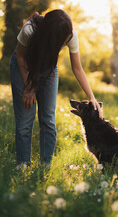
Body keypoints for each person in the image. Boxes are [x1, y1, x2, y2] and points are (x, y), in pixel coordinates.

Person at [10, 9, 102, 168]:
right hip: (23, 67)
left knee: (48, 118)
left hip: (48, 70)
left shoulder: (71, 34)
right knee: (26, 116)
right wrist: (29, 88)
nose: (63, 42)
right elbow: (20, 57)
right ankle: (23, 165)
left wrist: (92, 97)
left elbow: (77, 69)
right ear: (50, 35)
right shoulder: (30, 29)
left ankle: (45, 165)